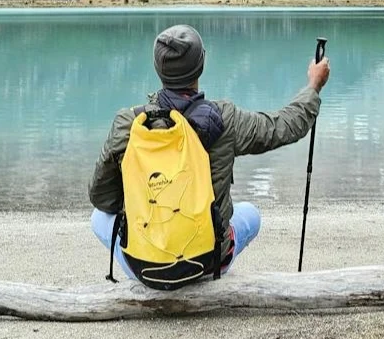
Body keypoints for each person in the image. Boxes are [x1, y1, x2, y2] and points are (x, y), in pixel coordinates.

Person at [89, 24, 330, 283]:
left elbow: (102, 198)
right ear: (201, 65)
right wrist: (313, 87)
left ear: (158, 68)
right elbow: (283, 127)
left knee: (97, 217)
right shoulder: (226, 118)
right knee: (250, 214)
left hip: (144, 267)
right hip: (209, 261)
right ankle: (207, 270)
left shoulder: (130, 124)